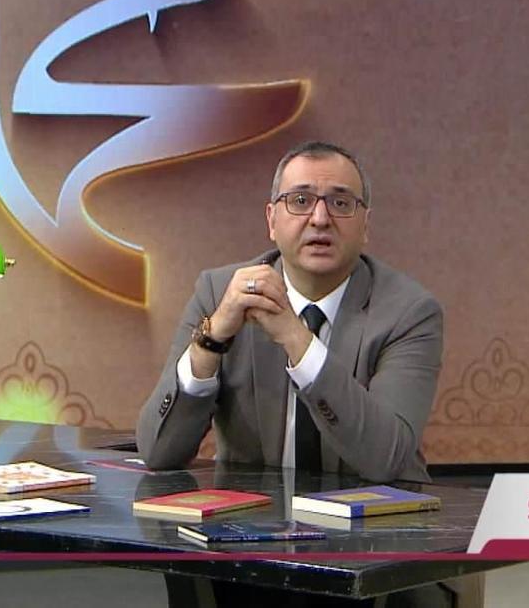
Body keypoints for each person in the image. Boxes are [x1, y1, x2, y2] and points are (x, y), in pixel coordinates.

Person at [137, 141, 443, 483]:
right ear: (272, 220)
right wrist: (211, 341)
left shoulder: (409, 312)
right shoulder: (220, 293)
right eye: (300, 201)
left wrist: (296, 338)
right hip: (257, 513)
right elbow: (158, 451)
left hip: (377, 514)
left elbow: (386, 459)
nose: (320, 219)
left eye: (340, 203)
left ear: (365, 226)